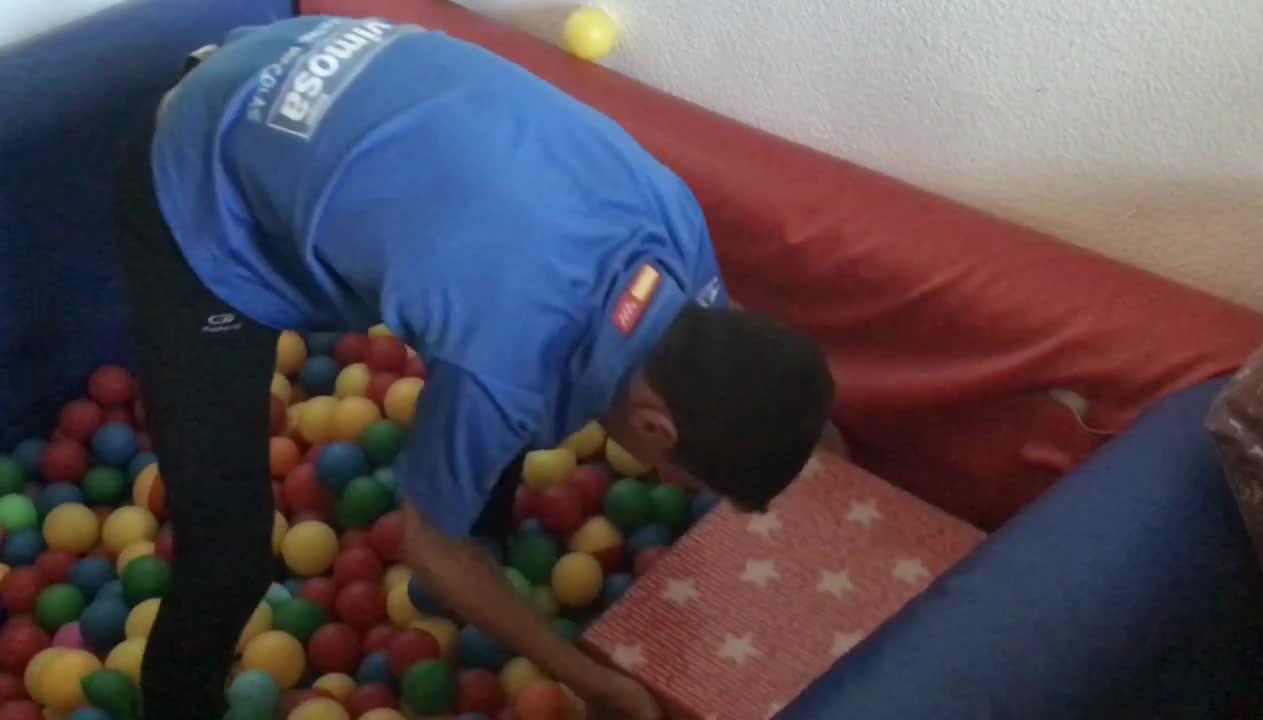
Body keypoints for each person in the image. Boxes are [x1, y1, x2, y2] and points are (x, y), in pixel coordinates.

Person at [113, 15, 837, 720]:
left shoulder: (676, 227)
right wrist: (587, 677)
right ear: (656, 428)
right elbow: (428, 547)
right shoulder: (505, 365)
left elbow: (748, 370)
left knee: (516, 381)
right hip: (205, 162)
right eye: (684, 477)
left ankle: (482, 533)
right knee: (229, 551)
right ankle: (176, 702)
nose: (674, 486)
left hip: (337, 59)